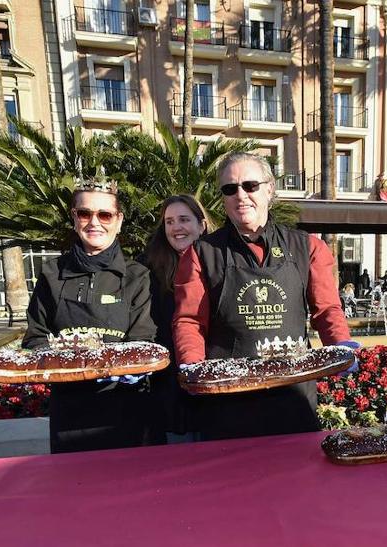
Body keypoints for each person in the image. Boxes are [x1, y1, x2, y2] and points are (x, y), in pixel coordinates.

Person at [173, 152, 360, 440]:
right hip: (228, 402)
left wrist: (341, 347)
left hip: (293, 398)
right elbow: (189, 320)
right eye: (230, 189)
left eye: (250, 186)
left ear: (270, 189)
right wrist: (192, 366)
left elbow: (327, 311)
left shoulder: (307, 247)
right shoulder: (201, 253)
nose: (240, 195)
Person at [22, 178, 155, 453]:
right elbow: (35, 337)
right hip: (69, 412)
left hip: (126, 409)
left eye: (104, 214)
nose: (94, 222)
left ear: (118, 221)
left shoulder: (137, 276)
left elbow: (143, 341)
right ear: (74, 218)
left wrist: (126, 370)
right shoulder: (51, 274)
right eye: (85, 213)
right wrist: (59, 364)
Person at [141, 194, 209, 444]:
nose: (176, 227)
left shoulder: (220, 262)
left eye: (184, 219)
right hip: (168, 385)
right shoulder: (148, 269)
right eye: (169, 222)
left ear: (202, 225)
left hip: (211, 382)